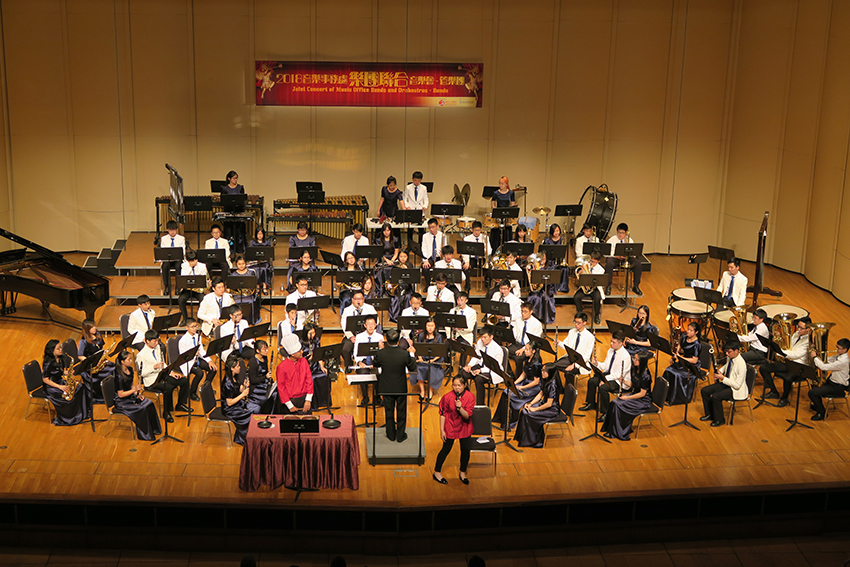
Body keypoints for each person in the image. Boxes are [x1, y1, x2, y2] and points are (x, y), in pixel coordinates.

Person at [136, 329, 192, 423]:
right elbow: (142, 373)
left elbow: (162, 363)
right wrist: (154, 367)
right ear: (147, 341)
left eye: (157, 340)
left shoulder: (157, 348)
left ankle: (180, 404)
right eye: (154, 341)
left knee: (184, 381)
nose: (157, 343)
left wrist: (171, 373)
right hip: (151, 380)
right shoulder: (141, 355)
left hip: (162, 374)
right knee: (168, 388)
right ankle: (166, 412)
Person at [374, 329, 417, 442]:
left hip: (386, 387)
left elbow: (375, 363)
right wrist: (412, 354)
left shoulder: (381, 353)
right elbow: (412, 367)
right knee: (401, 411)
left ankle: (391, 435)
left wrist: (380, 349)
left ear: (386, 340)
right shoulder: (404, 354)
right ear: (398, 341)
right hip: (400, 387)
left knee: (389, 411)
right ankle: (400, 435)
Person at [432, 375, 475, 485]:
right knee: (446, 449)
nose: (456, 388)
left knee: (465, 450)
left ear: (464, 385)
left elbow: (467, 416)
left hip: (464, 427)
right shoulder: (447, 397)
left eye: (459, 385)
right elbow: (443, 414)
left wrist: (460, 407)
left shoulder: (470, 397)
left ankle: (462, 472)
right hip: (450, 426)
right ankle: (437, 472)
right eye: (454, 385)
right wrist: (442, 430)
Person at [759, 316, 811, 406]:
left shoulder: (809, 341)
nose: (798, 329)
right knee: (764, 368)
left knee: (787, 378)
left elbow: (796, 354)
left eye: (801, 328)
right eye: (798, 326)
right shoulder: (796, 334)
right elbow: (789, 346)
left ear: (808, 329)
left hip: (798, 366)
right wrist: (780, 337)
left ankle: (784, 398)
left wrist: (781, 352)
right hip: (788, 361)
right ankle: (774, 392)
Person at [602, 351, 653, 440]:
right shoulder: (635, 369)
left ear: (642, 361)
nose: (634, 360)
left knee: (619, 405)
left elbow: (642, 393)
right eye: (634, 358)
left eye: (636, 359)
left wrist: (627, 397)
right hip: (635, 395)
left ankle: (619, 432)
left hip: (643, 400)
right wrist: (624, 381)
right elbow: (635, 384)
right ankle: (611, 429)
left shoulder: (646, 376)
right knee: (614, 402)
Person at [581, 330, 632, 421]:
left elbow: (619, 375)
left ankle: (606, 412)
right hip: (610, 375)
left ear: (621, 343)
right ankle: (591, 403)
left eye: (614, 342)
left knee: (603, 388)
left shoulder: (625, 356)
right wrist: (597, 364)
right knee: (592, 381)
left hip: (619, 381)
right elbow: (606, 366)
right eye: (611, 341)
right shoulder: (610, 350)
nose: (611, 344)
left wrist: (605, 380)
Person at [112, 350, 162, 440]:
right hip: (122, 402)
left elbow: (130, 384)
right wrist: (134, 390)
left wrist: (136, 394)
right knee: (142, 408)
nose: (131, 361)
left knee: (149, 403)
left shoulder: (130, 370)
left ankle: (154, 429)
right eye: (129, 359)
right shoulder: (119, 376)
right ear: (122, 362)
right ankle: (145, 434)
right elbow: (120, 394)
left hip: (130, 396)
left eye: (131, 359)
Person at [495, 342, 542, 431]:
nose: (525, 351)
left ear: (533, 351)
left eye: (527, 349)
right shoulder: (528, 359)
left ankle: (511, 422)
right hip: (525, 382)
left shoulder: (537, 364)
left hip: (532, 387)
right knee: (506, 391)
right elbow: (524, 374)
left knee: (512, 395)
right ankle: (500, 418)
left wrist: (522, 387)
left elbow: (536, 382)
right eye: (525, 349)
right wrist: (514, 383)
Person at [42, 339, 90, 426]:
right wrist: (60, 387)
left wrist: (68, 373)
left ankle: (82, 413)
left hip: (60, 381)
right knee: (68, 396)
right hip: (52, 387)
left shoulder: (60, 358)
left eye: (60, 347)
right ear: (52, 351)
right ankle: (70, 418)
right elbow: (45, 379)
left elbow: (60, 371)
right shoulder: (48, 364)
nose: (61, 350)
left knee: (80, 387)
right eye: (58, 348)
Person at [513, 360, 560, 449]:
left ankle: (533, 440)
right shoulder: (546, 380)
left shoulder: (553, 385)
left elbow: (549, 404)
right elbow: (541, 394)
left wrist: (535, 409)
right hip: (544, 404)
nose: (542, 372)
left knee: (529, 414)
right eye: (542, 370)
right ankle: (522, 437)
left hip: (552, 410)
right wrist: (530, 403)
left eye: (545, 371)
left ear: (550, 373)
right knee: (524, 410)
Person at [700, 341, 748, 427]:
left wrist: (722, 378)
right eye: (726, 351)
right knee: (705, 391)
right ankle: (710, 414)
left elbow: (737, 385)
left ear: (736, 351)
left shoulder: (741, 364)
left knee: (716, 396)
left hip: (735, 390)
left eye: (729, 352)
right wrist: (720, 371)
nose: (726, 354)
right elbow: (727, 366)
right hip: (727, 383)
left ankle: (720, 420)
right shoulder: (731, 357)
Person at [544, 312, 595, 389]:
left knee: (569, 372)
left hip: (581, 363)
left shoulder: (590, 337)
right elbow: (566, 345)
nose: (576, 325)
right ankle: (560, 388)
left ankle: (570, 391)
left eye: (578, 323)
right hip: (570, 358)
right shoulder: (572, 332)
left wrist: (574, 365)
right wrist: (559, 343)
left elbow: (587, 356)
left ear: (584, 323)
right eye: (575, 322)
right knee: (553, 366)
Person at [460, 326, 506, 406]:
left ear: (491, 337)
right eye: (481, 337)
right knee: (463, 373)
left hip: (492, 371)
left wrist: (480, 371)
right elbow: (476, 356)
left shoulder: (498, 350)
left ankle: (480, 404)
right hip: (481, 365)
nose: (482, 339)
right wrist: (470, 365)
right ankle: (466, 397)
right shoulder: (479, 342)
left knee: (478, 379)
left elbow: (495, 367)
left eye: (485, 337)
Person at [809, 338, 850, 421]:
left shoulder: (843, 361)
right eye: (836, 347)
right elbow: (827, 360)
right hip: (831, 382)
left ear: (845, 349)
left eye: (839, 348)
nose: (836, 349)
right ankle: (818, 405)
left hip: (837, 387)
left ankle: (822, 412)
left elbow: (824, 367)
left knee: (812, 393)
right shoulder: (839, 355)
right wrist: (818, 354)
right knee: (814, 384)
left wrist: (815, 358)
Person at [663, 322, 703, 405]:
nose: (688, 331)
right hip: (683, 362)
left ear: (696, 332)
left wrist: (680, 358)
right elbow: (679, 347)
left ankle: (674, 399)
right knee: (668, 370)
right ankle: (664, 395)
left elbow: (694, 360)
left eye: (691, 330)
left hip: (692, 366)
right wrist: (674, 355)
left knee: (677, 375)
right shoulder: (684, 337)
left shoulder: (697, 344)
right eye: (688, 329)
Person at [178, 318, 216, 403]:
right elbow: (184, 356)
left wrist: (209, 361)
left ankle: (205, 387)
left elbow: (201, 351)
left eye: (196, 326)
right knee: (200, 373)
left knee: (213, 369)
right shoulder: (183, 341)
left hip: (197, 359)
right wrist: (192, 354)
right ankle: (192, 392)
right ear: (186, 327)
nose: (195, 328)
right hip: (188, 362)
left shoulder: (197, 336)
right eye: (192, 327)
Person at [275, 334, 314, 414]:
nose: (302, 352)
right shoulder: (281, 367)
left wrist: (308, 399)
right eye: (299, 351)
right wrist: (289, 405)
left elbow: (309, 380)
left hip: (304, 399)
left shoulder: (304, 361)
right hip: (291, 401)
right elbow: (281, 387)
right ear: (292, 354)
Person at [77, 319, 113, 403]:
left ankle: (112, 391)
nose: (95, 328)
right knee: (109, 372)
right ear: (87, 329)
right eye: (91, 327)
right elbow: (80, 356)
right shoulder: (83, 341)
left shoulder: (98, 335)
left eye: (94, 326)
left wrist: (104, 353)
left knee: (114, 367)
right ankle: (103, 394)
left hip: (100, 361)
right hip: (91, 366)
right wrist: (92, 362)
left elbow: (101, 348)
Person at [341, 290, 378, 367]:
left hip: (367, 334)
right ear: (352, 300)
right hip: (352, 335)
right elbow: (344, 324)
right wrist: (351, 336)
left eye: (360, 299)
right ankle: (349, 365)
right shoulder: (347, 310)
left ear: (363, 299)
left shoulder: (370, 308)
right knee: (345, 348)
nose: (358, 301)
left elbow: (376, 321)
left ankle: (371, 364)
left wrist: (368, 334)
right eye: (356, 299)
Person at [221, 353, 252, 445]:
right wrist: (242, 395)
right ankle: (242, 438)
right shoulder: (227, 383)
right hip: (229, 409)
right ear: (232, 368)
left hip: (237, 403)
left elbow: (237, 389)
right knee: (250, 412)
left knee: (255, 407)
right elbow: (229, 403)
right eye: (238, 366)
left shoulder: (234, 377)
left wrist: (244, 386)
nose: (240, 368)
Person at [605, 222, 642, 296]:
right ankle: (608, 286)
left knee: (638, 264)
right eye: (619, 232)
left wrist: (628, 255)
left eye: (622, 233)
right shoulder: (612, 240)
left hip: (627, 258)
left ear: (626, 232)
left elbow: (634, 253)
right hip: (615, 258)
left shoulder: (629, 240)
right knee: (609, 263)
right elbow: (607, 252)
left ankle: (636, 286)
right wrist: (617, 256)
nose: (620, 234)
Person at [353, 315, 383, 407]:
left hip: (375, 361)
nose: (370, 326)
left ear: (375, 325)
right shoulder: (359, 336)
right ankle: (365, 397)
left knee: (379, 373)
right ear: (365, 325)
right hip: (363, 361)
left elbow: (382, 353)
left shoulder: (380, 336)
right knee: (362, 373)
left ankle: (377, 397)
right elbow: (355, 352)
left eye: (372, 324)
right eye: (368, 324)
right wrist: (359, 362)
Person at [413, 319, 445, 401]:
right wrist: (420, 358)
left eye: (432, 326)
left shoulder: (439, 337)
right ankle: (422, 391)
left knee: (432, 370)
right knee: (419, 368)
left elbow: (440, 352)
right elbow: (418, 349)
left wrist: (433, 360)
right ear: (425, 326)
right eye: (428, 326)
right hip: (423, 359)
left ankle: (430, 391)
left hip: (435, 360)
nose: (430, 328)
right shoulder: (421, 335)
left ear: (435, 327)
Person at [508, 302, 543, 376]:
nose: (523, 313)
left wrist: (523, 349)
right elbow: (514, 334)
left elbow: (534, 341)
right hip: (517, 344)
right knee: (504, 351)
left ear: (531, 312)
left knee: (518, 358)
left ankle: (518, 378)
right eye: (522, 311)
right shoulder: (518, 320)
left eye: (525, 311)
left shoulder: (537, 324)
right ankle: (510, 373)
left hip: (528, 347)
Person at [573, 251, 606, 325]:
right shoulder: (586, 264)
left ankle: (597, 315)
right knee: (576, 297)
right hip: (585, 287)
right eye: (591, 261)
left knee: (597, 298)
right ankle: (580, 314)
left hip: (595, 288)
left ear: (598, 261)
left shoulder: (601, 270)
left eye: (594, 262)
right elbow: (579, 274)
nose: (591, 263)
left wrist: (588, 274)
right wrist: (580, 272)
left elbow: (597, 281)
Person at [177, 249, 208, 327]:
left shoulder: (202, 266)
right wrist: (190, 267)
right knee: (181, 299)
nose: (193, 262)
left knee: (203, 298)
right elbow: (183, 277)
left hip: (198, 289)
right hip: (187, 289)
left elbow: (203, 279)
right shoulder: (184, 266)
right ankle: (185, 319)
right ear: (188, 260)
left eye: (195, 260)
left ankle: (200, 318)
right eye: (191, 261)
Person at [245, 340, 275, 414]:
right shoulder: (252, 362)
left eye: (267, 348)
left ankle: (271, 414)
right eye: (264, 349)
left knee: (276, 392)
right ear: (258, 351)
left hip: (264, 383)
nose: (266, 351)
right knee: (272, 395)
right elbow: (253, 380)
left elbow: (265, 371)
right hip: (256, 388)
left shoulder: (264, 358)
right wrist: (265, 377)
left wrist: (270, 380)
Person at [461, 220, 492, 292]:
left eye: (478, 230)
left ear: (481, 230)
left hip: (482, 258)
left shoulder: (485, 237)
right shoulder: (467, 239)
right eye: (475, 230)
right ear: (472, 230)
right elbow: (464, 252)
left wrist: (486, 251)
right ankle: (467, 282)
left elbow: (490, 250)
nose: (477, 232)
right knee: (465, 267)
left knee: (489, 267)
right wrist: (467, 261)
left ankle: (487, 282)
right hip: (472, 258)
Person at [230, 254, 260, 324]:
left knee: (251, 301)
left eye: (243, 263)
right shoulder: (233, 274)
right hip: (237, 295)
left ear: (245, 263)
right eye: (239, 264)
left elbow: (253, 285)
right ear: (236, 264)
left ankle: (251, 321)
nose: (241, 265)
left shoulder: (251, 273)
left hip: (248, 295)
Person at [527, 250, 555, 324]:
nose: (542, 261)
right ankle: (535, 318)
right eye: (540, 259)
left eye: (544, 259)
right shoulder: (533, 267)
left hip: (547, 289)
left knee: (545, 298)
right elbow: (530, 282)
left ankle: (545, 319)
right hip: (536, 290)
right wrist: (533, 273)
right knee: (535, 298)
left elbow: (551, 281)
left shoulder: (549, 268)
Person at [158, 220, 185, 296]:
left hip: (177, 259)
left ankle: (178, 286)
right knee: (165, 266)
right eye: (171, 230)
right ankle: (166, 286)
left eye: (174, 230)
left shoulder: (181, 238)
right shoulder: (164, 238)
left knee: (178, 266)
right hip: (168, 259)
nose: (173, 232)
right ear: (167, 230)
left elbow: (182, 251)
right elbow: (163, 250)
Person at [543, 223, 571, 293]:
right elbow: (543, 251)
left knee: (565, 269)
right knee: (551, 268)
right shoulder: (547, 240)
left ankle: (562, 287)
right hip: (549, 261)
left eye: (557, 231)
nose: (556, 232)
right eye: (554, 231)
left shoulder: (562, 239)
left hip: (559, 260)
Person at [489, 176, 515, 250]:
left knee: (507, 232)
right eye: (499, 183)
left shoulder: (511, 193)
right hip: (498, 215)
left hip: (507, 215)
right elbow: (493, 203)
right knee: (496, 233)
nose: (500, 185)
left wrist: (510, 211)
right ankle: (495, 250)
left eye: (502, 184)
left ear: (506, 184)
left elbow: (512, 204)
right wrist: (495, 210)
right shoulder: (496, 193)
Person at [373, 222, 400, 292]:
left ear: (390, 231)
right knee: (379, 271)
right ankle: (381, 290)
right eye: (384, 230)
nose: (386, 232)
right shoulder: (378, 240)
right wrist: (387, 260)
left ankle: (392, 290)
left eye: (388, 230)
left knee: (394, 270)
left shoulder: (395, 239)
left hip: (392, 259)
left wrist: (392, 260)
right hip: (382, 259)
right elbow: (378, 253)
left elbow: (396, 253)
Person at [388, 249, 413, 322]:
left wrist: (406, 270)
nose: (403, 258)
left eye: (405, 256)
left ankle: (406, 316)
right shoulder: (395, 265)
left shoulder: (410, 265)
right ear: (398, 257)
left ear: (407, 257)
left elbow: (412, 278)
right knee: (396, 298)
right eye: (401, 256)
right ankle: (396, 317)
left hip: (407, 287)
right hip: (397, 287)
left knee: (408, 296)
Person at [247, 226, 272, 293]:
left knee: (265, 268)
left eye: (261, 234)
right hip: (256, 261)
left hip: (265, 261)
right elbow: (251, 253)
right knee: (256, 269)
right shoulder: (253, 242)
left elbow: (269, 253)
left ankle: (264, 287)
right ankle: (257, 287)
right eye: (258, 234)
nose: (260, 235)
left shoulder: (267, 242)